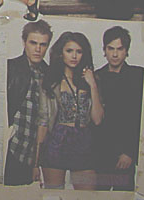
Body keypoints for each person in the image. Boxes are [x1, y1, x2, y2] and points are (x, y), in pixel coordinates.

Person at [37, 32, 104, 190]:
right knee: (53, 195)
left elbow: (97, 119)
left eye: (79, 51)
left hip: (84, 141)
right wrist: (35, 161)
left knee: (87, 195)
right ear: (61, 53)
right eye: (69, 51)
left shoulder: (91, 81)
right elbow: (43, 121)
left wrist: (93, 85)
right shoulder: (50, 81)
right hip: (57, 140)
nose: (74, 56)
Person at [93, 26, 144, 191]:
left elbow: (138, 117)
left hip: (125, 151)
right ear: (104, 50)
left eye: (119, 49)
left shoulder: (138, 76)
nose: (115, 54)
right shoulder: (96, 76)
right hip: (101, 151)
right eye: (110, 48)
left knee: (124, 195)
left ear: (126, 51)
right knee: (100, 195)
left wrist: (130, 152)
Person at [5, 20, 53, 186]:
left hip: (33, 152)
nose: (38, 49)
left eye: (43, 44)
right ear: (24, 42)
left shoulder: (50, 75)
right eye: (33, 43)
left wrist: (37, 161)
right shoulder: (10, 67)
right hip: (11, 147)